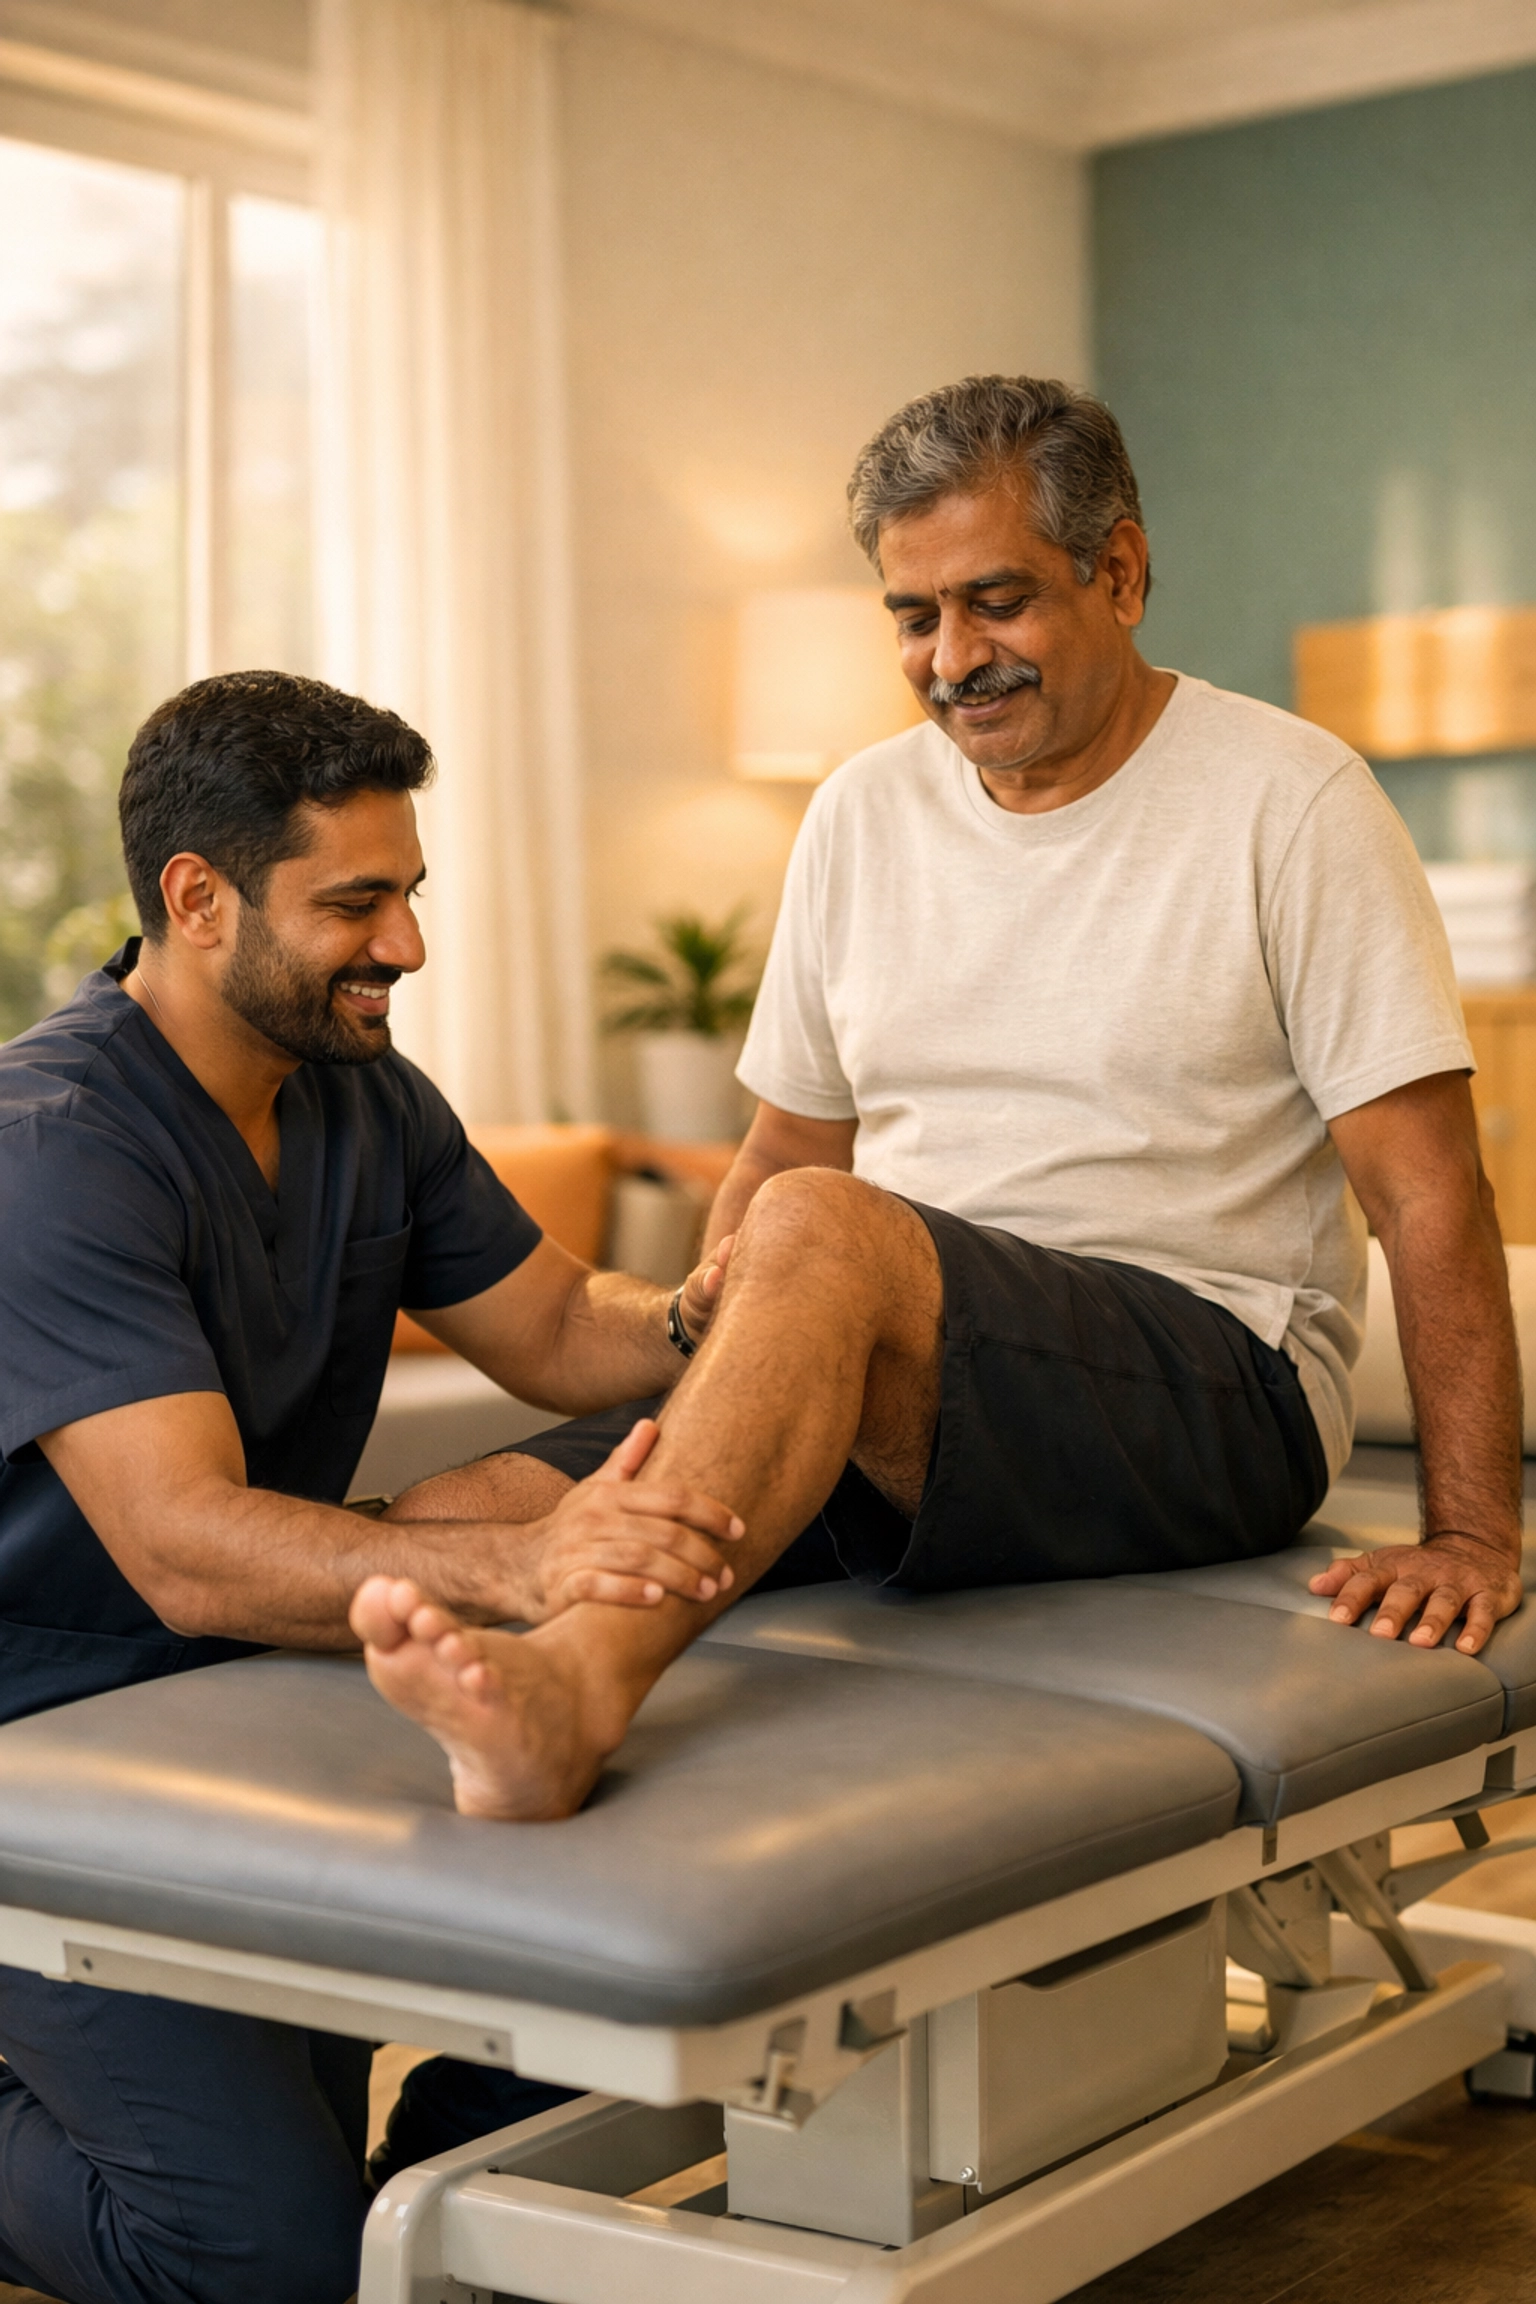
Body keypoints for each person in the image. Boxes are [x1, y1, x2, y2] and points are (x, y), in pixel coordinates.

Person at [351, 374, 1526, 1828]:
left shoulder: (1292, 802)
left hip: (1217, 1382)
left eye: (997, 603)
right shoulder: (860, 812)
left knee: (824, 1227)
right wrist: (718, 1389)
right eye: (914, 616)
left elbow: (1429, 1188)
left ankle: (574, 1695)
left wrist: (1474, 1534)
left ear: (1121, 573)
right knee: (454, 1526)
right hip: (908, 1364)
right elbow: (783, 1143)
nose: (953, 658)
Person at [0, 671, 743, 2304]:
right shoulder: (53, 1144)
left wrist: (722, 1315)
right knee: (267, 2257)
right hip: (44, 1745)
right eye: (355, 903)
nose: (406, 943)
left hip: (246, 1693)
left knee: (414, 2159)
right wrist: (532, 1562)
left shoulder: (364, 1095)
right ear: (198, 900)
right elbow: (186, 1550)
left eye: (409, 892)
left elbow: (558, 1325)